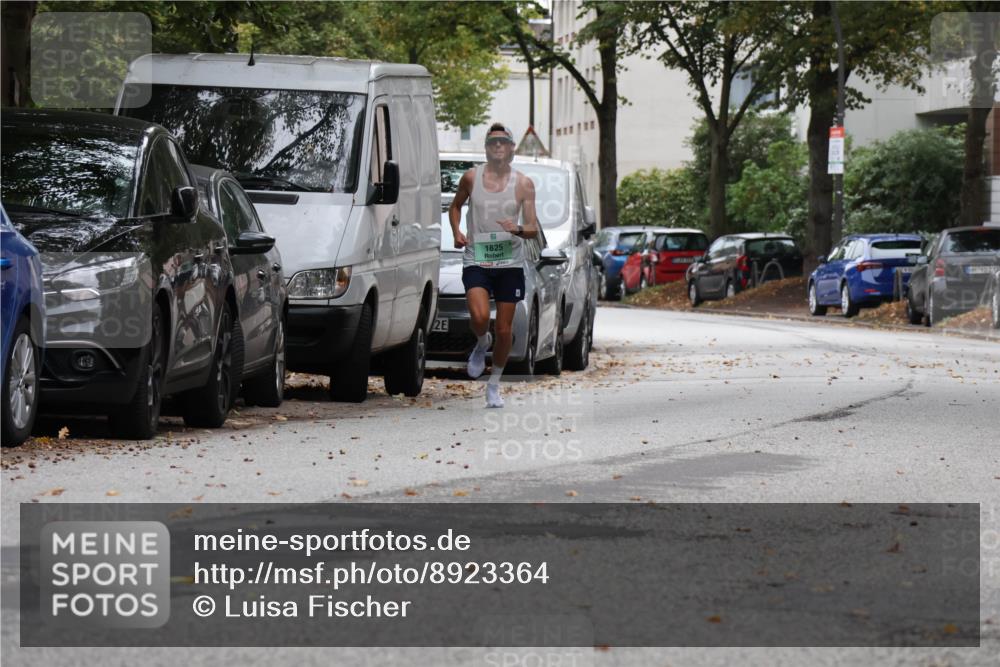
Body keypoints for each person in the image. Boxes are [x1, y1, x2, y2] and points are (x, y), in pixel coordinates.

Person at [448, 123, 540, 408]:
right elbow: (455, 207)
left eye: (503, 142)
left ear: (512, 149)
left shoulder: (523, 183)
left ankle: (494, 385)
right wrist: (456, 232)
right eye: (492, 143)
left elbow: (534, 229)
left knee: (504, 330)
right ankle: (480, 342)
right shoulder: (471, 178)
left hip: (510, 263)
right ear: (486, 149)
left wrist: (518, 229)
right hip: (477, 257)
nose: (498, 146)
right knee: (478, 317)